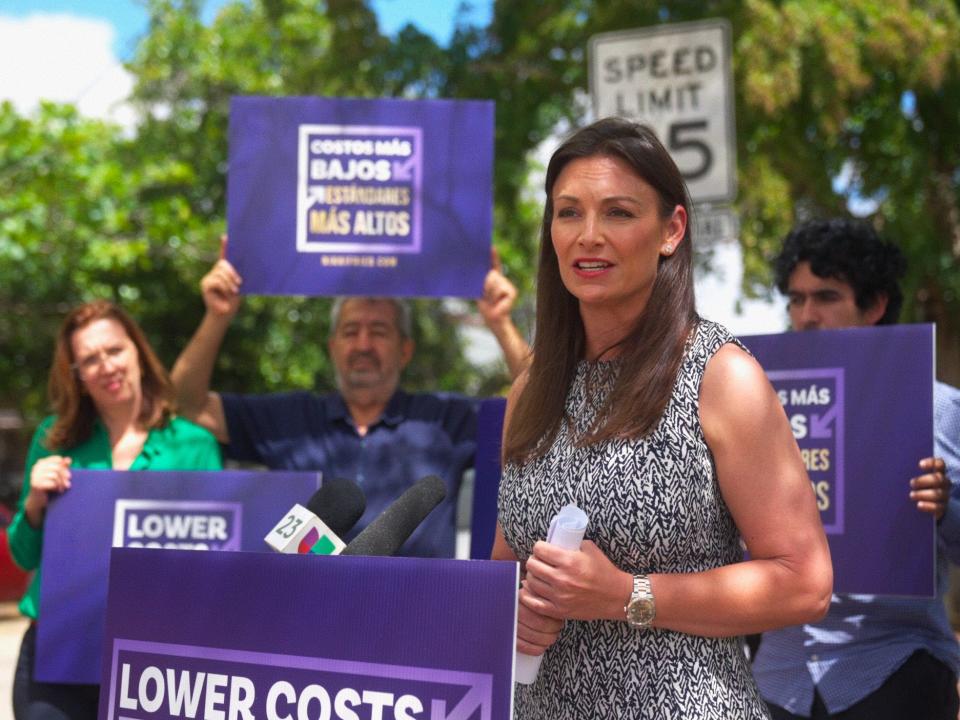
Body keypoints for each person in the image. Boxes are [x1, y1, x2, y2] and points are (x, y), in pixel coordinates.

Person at [491, 117, 833, 719]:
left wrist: (626, 594)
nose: (587, 236)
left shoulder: (720, 377)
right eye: (568, 213)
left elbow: (805, 582)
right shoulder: (532, 383)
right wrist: (511, 609)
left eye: (618, 213)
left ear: (671, 230)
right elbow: (506, 565)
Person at [171, 245, 530, 558]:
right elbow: (186, 402)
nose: (362, 345)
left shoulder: (446, 419)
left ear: (405, 350)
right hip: (307, 615)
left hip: (418, 616)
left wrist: (500, 323)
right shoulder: (289, 417)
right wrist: (217, 317)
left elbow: (539, 404)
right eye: (350, 331)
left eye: (378, 332)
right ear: (332, 347)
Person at [753, 218, 960, 719]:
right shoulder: (758, 410)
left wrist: (942, 509)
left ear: (874, 307)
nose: (807, 316)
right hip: (778, 678)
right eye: (796, 299)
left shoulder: (937, 409)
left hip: (891, 668)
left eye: (825, 297)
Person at [7, 300, 222, 720]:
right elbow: (23, 556)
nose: (106, 366)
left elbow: (215, 556)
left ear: (138, 353)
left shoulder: (194, 444)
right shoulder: (53, 440)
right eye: (90, 359)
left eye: (114, 350)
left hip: (157, 659)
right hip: (58, 654)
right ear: (78, 378)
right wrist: (34, 502)